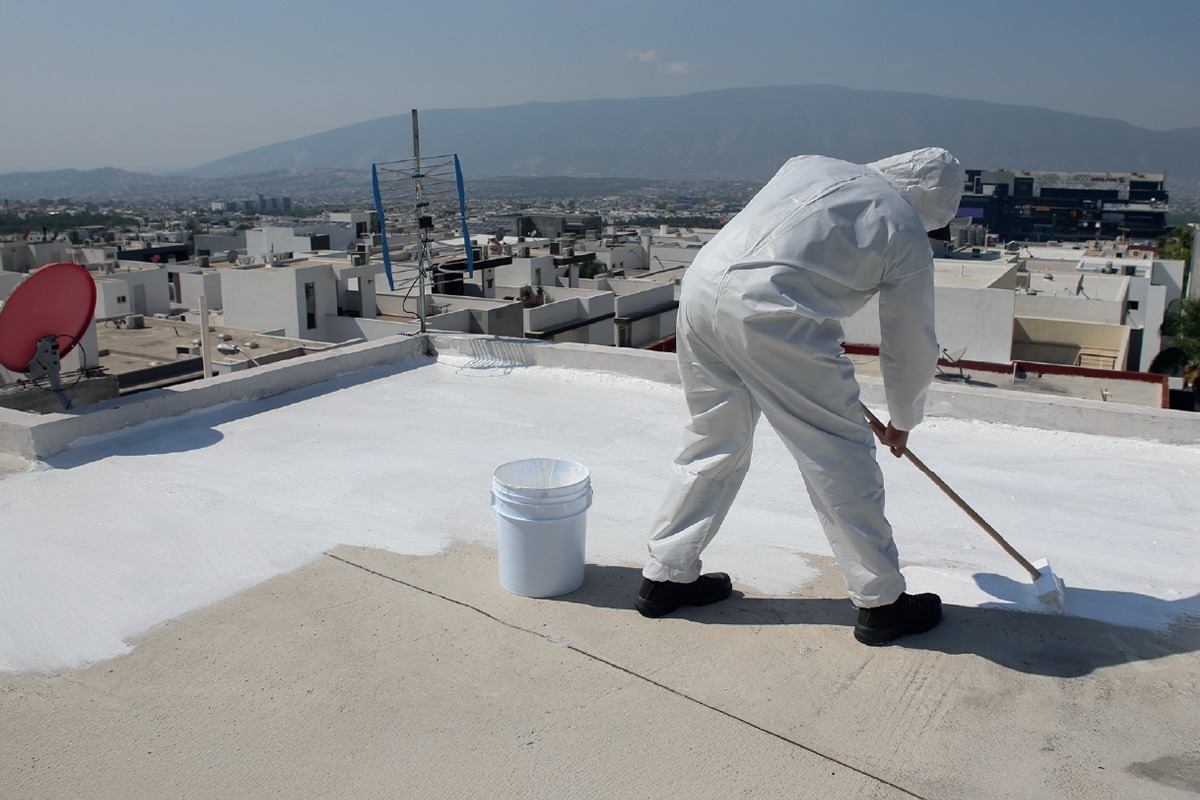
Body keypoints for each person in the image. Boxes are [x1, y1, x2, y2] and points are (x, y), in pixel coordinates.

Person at [634, 147, 965, 646]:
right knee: (838, 455)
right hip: (774, 317)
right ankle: (882, 603)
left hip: (702, 291)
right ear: (931, 206)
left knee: (712, 439)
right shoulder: (903, 224)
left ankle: (664, 577)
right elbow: (910, 341)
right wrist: (903, 418)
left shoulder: (808, 164)